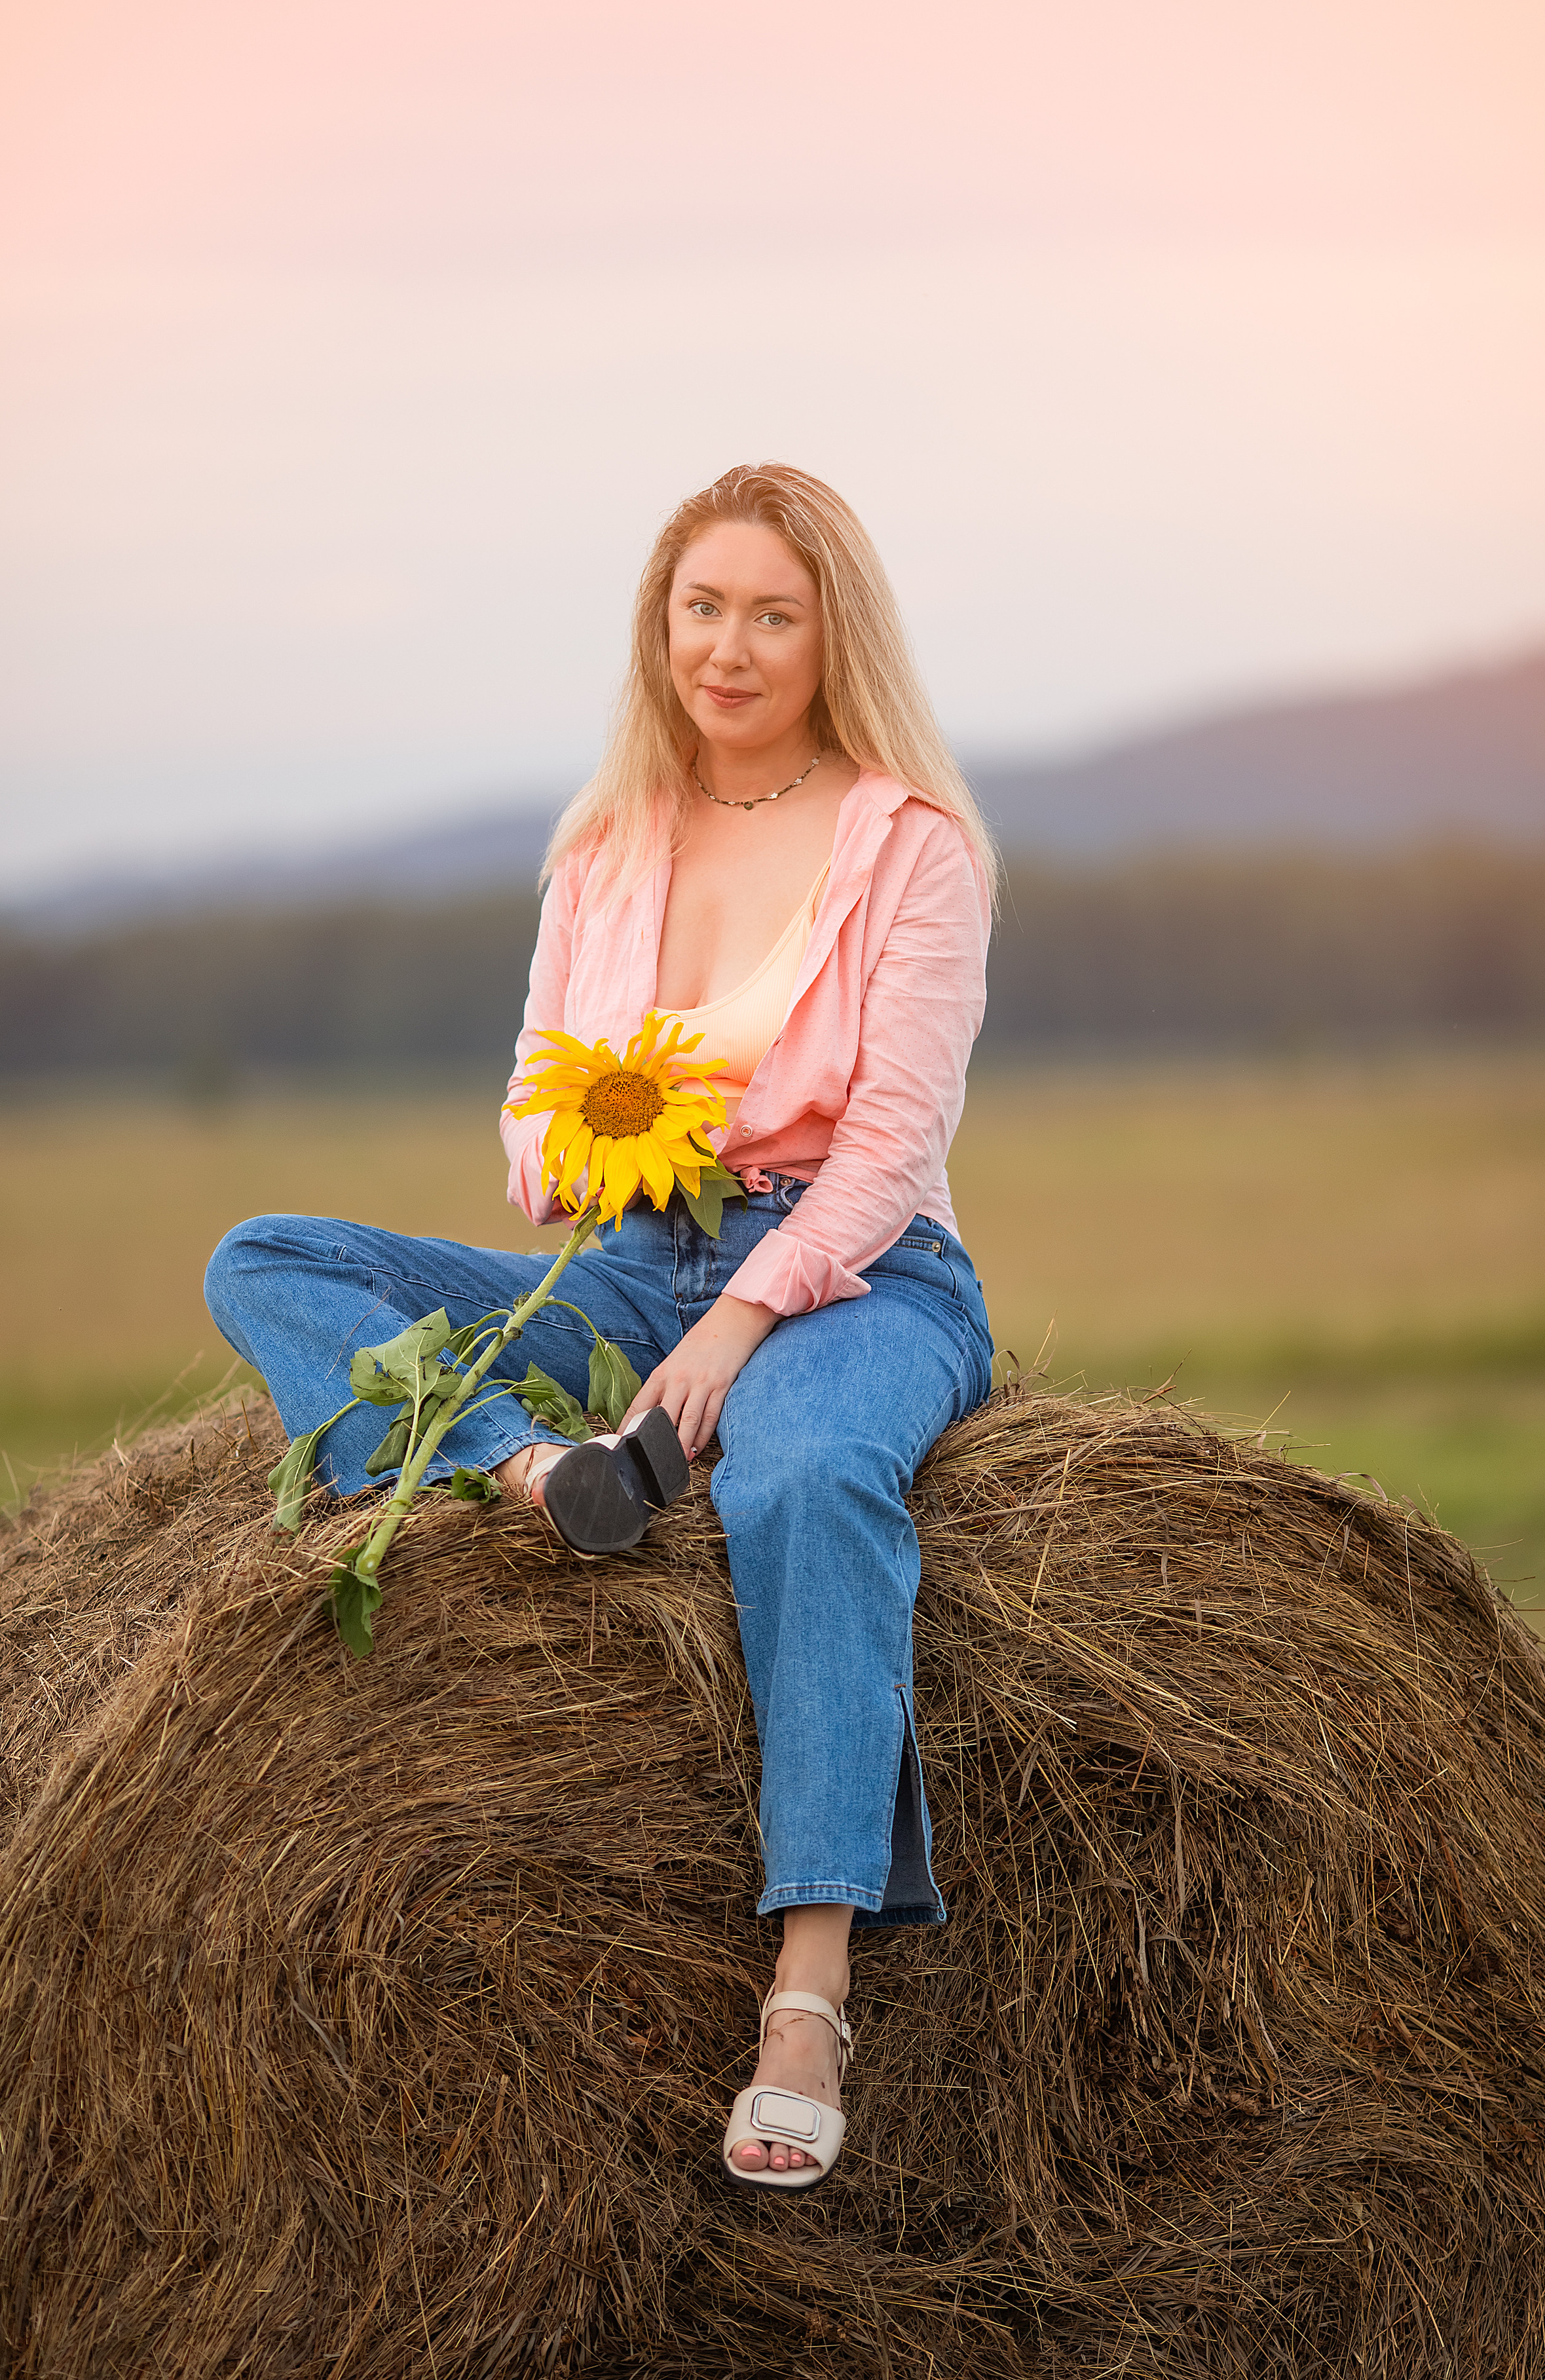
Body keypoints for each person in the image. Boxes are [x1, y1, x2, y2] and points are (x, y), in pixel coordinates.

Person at [204, 462, 997, 2192]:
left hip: (856, 1271)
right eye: (701, 607)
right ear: (661, 624)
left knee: (800, 1476)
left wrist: (735, 1332)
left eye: (772, 614)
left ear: (829, 635)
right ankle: (525, 1467)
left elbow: (888, 1151)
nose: (730, 645)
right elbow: (525, 1132)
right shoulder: (605, 842)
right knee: (266, 1260)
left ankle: (810, 1986)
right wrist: (590, 1144)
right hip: (627, 1256)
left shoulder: (912, 851)